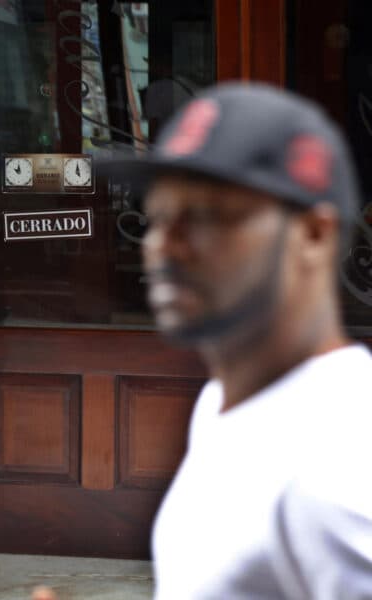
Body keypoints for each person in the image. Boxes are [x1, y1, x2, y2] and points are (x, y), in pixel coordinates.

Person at [113, 82, 372, 597]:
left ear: (314, 235)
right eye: (161, 215)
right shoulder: (225, 402)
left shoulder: (337, 469)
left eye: (207, 215)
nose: (165, 244)